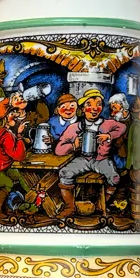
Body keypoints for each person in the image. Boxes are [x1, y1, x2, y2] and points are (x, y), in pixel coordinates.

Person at [53, 88, 127, 218]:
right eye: (89, 105)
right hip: (82, 160)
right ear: (82, 108)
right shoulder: (74, 127)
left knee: (115, 178)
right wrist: (73, 145)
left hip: (101, 159)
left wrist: (109, 136)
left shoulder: (108, 124)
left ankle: (100, 204)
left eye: (98, 104)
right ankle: (70, 206)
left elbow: (123, 127)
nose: (94, 108)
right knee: (64, 173)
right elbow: (58, 150)